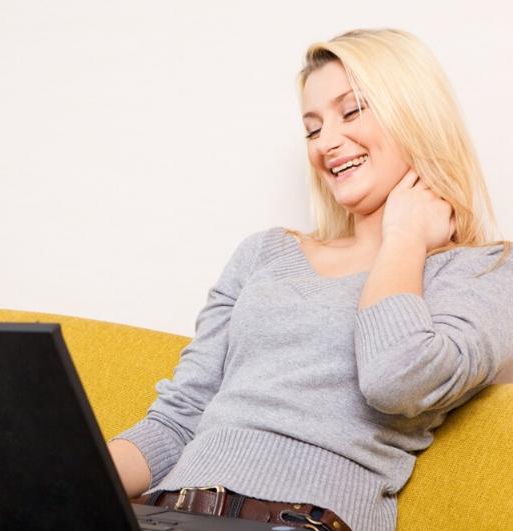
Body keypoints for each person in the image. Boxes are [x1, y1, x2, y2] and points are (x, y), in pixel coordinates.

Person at [106, 28, 513, 531]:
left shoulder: (482, 271)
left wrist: (404, 236)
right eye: (313, 128)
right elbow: (180, 417)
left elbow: (396, 380)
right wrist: (61, 477)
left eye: (352, 110)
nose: (328, 142)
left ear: (415, 113)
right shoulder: (265, 253)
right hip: (167, 514)